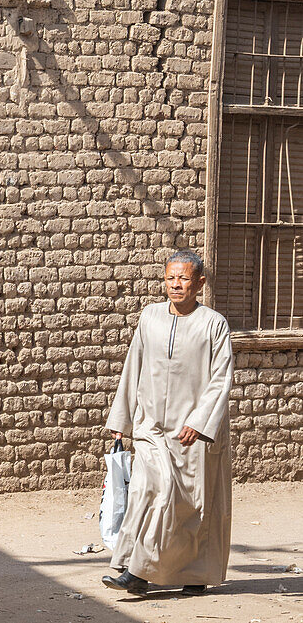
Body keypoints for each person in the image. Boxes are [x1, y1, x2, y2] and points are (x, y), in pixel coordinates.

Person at [101, 250, 234, 597]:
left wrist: (200, 422)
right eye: (171, 278)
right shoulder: (150, 317)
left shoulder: (213, 324)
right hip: (151, 428)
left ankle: (193, 572)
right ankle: (136, 570)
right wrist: (123, 419)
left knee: (191, 505)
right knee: (150, 491)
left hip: (192, 434)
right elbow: (134, 367)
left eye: (184, 278)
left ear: (200, 283)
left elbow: (221, 379)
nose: (176, 285)